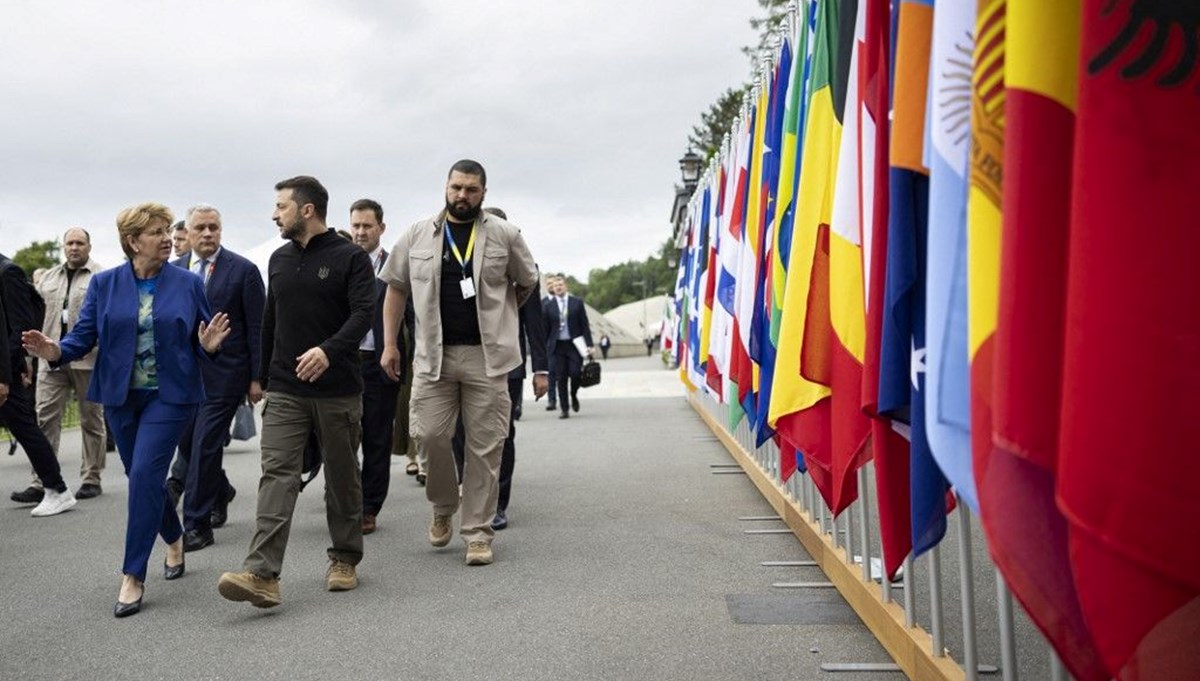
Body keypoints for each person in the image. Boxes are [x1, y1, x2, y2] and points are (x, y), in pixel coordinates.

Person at [23, 202, 231, 617]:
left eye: (168, 231)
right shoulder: (105, 284)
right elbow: (84, 335)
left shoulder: (188, 283)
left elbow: (203, 336)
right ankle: (172, 538)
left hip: (170, 397)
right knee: (143, 478)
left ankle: (133, 573)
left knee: (145, 475)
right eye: (156, 232)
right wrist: (56, 350)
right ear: (133, 241)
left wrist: (207, 348)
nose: (167, 238)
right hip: (120, 396)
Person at [217, 175, 375, 608]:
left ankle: (344, 557)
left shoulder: (351, 259)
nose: (274, 214)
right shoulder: (279, 260)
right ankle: (262, 573)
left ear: (307, 209)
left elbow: (364, 313)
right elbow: (271, 319)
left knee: (342, 478)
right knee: (277, 475)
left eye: (281, 207)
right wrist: (261, 376)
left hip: (338, 388)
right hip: (285, 388)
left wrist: (328, 351)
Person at [379, 159, 538, 566]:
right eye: (455, 188)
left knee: (485, 449)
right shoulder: (417, 234)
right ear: (445, 188)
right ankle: (443, 504)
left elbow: (527, 280)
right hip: (433, 356)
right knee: (430, 437)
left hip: (487, 358)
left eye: (470, 189)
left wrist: (502, 317)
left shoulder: (505, 234)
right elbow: (395, 288)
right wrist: (390, 345)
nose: (461, 196)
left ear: (484, 192)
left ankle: (478, 534)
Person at [168, 205, 264, 552]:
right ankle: (221, 492)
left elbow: (257, 328)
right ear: (188, 233)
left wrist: (256, 377)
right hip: (182, 377)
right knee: (188, 443)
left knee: (206, 443)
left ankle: (195, 524)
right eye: (201, 228)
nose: (208, 234)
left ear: (220, 231)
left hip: (225, 375)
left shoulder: (244, 271)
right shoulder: (173, 271)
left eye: (214, 228)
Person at [450, 206, 548, 531]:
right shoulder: (458, 264)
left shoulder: (523, 267)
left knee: (501, 434)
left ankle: (497, 503)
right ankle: (470, 490)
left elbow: (535, 323)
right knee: (460, 432)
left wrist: (541, 370)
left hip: (507, 364)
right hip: (462, 359)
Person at [22, 228, 107, 502]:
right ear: (63, 246)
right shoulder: (47, 278)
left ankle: (91, 477)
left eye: (79, 243)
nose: (74, 247)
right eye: (69, 243)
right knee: (45, 418)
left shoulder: (101, 277)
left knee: (91, 419)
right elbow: (32, 317)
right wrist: (28, 360)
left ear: (89, 246)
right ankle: (42, 481)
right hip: (50, 360)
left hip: (88, 359)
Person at [1, 253, 77, 517]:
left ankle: (57, 489)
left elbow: (17, 328)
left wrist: (10, 372)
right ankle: (56, 488)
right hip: (8, 367)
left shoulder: (7, 272)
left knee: (26, 429)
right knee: (26, 428)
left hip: (5, 370)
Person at [347, 198, 404, 535]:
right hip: (345, 363)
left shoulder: (394, 265)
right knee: (341, 438)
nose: (360, 232)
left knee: (377, 438)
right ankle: (344, 499)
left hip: (381, 362)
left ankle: (369, 506)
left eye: (367, 226)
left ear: (381, 228)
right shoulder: (342, 264)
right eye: (355, 225)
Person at [542, 275, 593, 419]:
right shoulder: (548, 306)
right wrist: (545, 348)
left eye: (560, 285)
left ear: (566, 286)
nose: (558, 287)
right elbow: (545, 330)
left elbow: (584, 325)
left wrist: (589, 345)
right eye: (555, 285)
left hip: (574, 345)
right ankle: (564, 408)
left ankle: (574, 394)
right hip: (557, 347)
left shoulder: (577, 303)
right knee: (561, 377)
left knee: (576, 373)